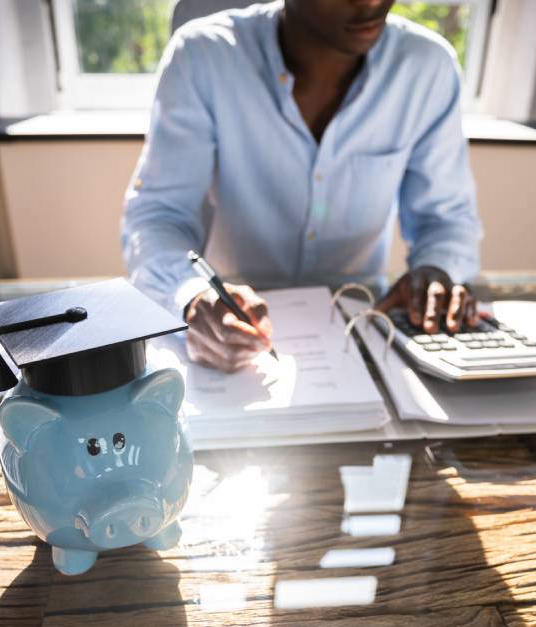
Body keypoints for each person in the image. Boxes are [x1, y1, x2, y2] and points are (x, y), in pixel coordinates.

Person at [122, 0, 483, 372]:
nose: (372, 2)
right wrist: (191, 295)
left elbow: (446, 218)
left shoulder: (426, 67)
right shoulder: (204, 56)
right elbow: (159, 215)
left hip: (363, 335)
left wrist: (437, 267)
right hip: (228, 335)